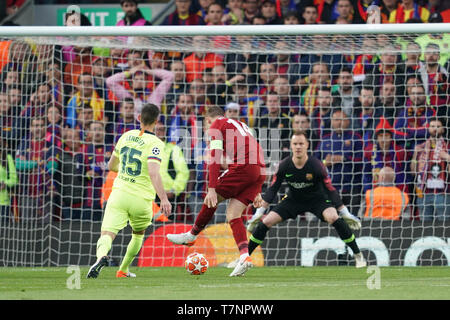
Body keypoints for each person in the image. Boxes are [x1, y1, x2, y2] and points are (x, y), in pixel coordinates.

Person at [167, 106, 266, 277]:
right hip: (258, 169)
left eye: (205, 125)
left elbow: (214, 158)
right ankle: (244, 257)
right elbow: (257, 148)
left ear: (208, 120)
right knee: (233, 214)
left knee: (211, 199)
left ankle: (191, 235)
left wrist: (211, 189)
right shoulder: (239, 125)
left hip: (243, 167)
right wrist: (257, 187)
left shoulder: (216, 126)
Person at [248, 131, 366, 268]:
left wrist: (345, 213)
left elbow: (330, 189)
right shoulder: (284, 165)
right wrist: (258, 213)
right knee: (267, 221)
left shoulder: (316, 165)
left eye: (301, 144)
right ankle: (244, 257)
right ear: (291, 146)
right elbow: (272, 189)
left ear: (307, 146)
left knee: (333, 217)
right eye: (295, 144)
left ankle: (358, 255)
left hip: (317, 199)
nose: (298, 147)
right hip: (293, 200)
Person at [87, 103, 171, 279]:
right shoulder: (156, 143)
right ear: (157, 121)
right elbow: (154, 172)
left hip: (118, 194)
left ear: (139, 118)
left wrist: (124, 171)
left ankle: (101, 257)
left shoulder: (126, 136)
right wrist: (163, 198)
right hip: (142, 199)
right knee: (138, 234)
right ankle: (123, 269)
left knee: (107, 234)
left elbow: (111, 166)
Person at [411, 118, 450, 221]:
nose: (435, 129)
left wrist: (447, 157)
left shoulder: (447, 147)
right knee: (425, 227)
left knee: (444, 226)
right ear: (428, 129)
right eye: (432, 126)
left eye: (438, 126)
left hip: (443, 194)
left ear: (443, 129)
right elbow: (413, 172)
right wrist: (415, 155)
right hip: (423, 193)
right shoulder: (422, 147)